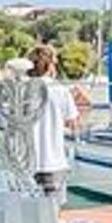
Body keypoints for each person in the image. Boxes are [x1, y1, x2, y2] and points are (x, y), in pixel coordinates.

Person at [26, 44, 81, 200]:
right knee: (53, 212)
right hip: (53, 161)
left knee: (27, 212)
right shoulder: (60, 90)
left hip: (27, 163)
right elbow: (74, 123)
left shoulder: (23, 88)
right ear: (50, 65)